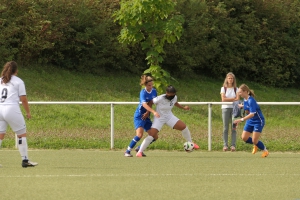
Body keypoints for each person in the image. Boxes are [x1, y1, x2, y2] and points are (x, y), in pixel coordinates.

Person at [136, 85, 199, 157]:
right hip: (159, 118)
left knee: (184, 127)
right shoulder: (160, 98)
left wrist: (183, 108)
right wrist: (148, 112)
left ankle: (191, 143)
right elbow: (150, 102)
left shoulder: (174, 97)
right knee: (152, 135)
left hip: (169, 117)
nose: (172, 97)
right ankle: (140, 152)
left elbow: (175, 102)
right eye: (170, 95)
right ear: (167, 93)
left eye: (173, 95)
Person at [0, 61, 38, 167]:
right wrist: (28, 112)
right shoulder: (18, 81)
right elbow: (24, 99)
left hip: (0, 108)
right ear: (16, 70)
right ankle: (25, 160)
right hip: (11, 109)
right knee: (21, 134)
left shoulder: (0, 80)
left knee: (0, 135)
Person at [124, 75, 160, 157]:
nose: (151, 87)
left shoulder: (154, 91)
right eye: (149, 85)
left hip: (146, 116)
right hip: (140, 116)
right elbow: (144, 104)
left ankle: (140, 149)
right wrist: (153, 111)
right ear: (145, 85)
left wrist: (148, 112)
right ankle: (127, 151)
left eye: (152, 85)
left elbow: (151, 102)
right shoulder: (143, 92)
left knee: (155, 136)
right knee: (139, 135)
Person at [233, 84, 269, 158]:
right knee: (244, 138)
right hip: (250, 121)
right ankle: (256, 144)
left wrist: (241, 119)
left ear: (245, 91)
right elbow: (247, 106)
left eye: (240, 92)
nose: (239, 94)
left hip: (258, 121)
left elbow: (252, 114)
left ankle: (265, 151)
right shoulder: (245, 99)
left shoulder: (251, 100)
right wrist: (242, 106)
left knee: (254, 140)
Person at [220, 72, 240, 152]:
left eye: (231, 78)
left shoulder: (236, 89)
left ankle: (233, 145)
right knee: (225, 128)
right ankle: (225, 145)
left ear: (233, 80)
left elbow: (237, 98)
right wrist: (233, 99)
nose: (230, 80)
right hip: (225, 108)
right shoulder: (223, 88)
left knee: (234, 127)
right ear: (226, 79)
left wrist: (231, 99)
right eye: (229, 78)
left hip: (234, 109)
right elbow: (223, 99)